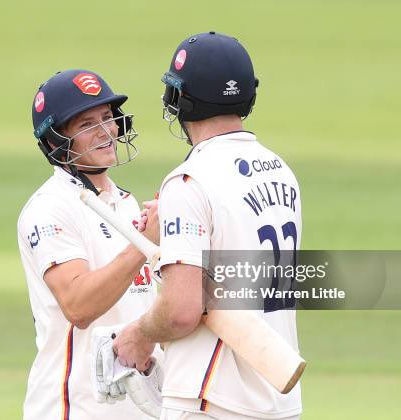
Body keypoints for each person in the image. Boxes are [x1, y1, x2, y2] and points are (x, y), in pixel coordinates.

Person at [114, 32, 303, 419]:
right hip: (278, 398)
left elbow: (183, 310)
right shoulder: (281, 171)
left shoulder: (189, 181)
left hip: (213, 400)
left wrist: (139, 334)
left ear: (180, 101)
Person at [17, 69, 158, 420]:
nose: (106, 132)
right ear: (54, 141)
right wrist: (144, 244)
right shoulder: (49, 208)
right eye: (85, 124)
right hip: (74, 410)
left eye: (108, 118)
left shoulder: (125, 203)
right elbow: (78, 306)